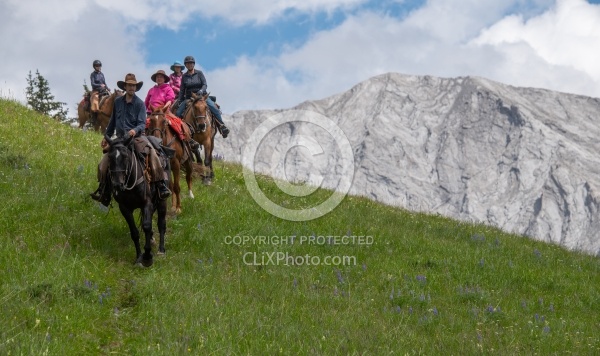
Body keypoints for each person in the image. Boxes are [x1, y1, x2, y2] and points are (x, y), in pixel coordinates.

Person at [90, 73, 171, 206]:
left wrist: (134, 131)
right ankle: (104, 192)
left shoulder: (139, 104)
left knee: (152, 153)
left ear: (136, 87)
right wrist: (107, 137)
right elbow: (112, 121)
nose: (131, 87)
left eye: (133, 85)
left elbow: (141, 123)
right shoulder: (117, 102)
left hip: (136, 137)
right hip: (120, 139)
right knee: (103, 164)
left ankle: (161, 184)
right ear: (125, 86)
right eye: (129, 85)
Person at [176, 55, 230, 138]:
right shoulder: (184, 76)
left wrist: (201, 91)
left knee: (213, 108)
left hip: (202, 97)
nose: (189, 65)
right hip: (190, 98)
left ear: (193, 64)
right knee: (178, 113)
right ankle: (178, 133)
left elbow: (204, 84)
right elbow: (182, 89)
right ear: (185, 65)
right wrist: (180, 100)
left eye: (191, 63)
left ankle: (222, 126)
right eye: (187, 64)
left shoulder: (199, 73)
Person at [145, 69, 200, 150]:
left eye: (161, 77)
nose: (159, 78)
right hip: (152, 113)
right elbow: (146, 102)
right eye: (157, 77)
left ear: (164, 79)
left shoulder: (168, 88)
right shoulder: (151, 90)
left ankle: (187, 139)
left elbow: (169, 100)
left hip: (164, 112)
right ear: (155, 79)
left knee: (177, 123)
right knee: (142, 126)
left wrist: (164, 109)